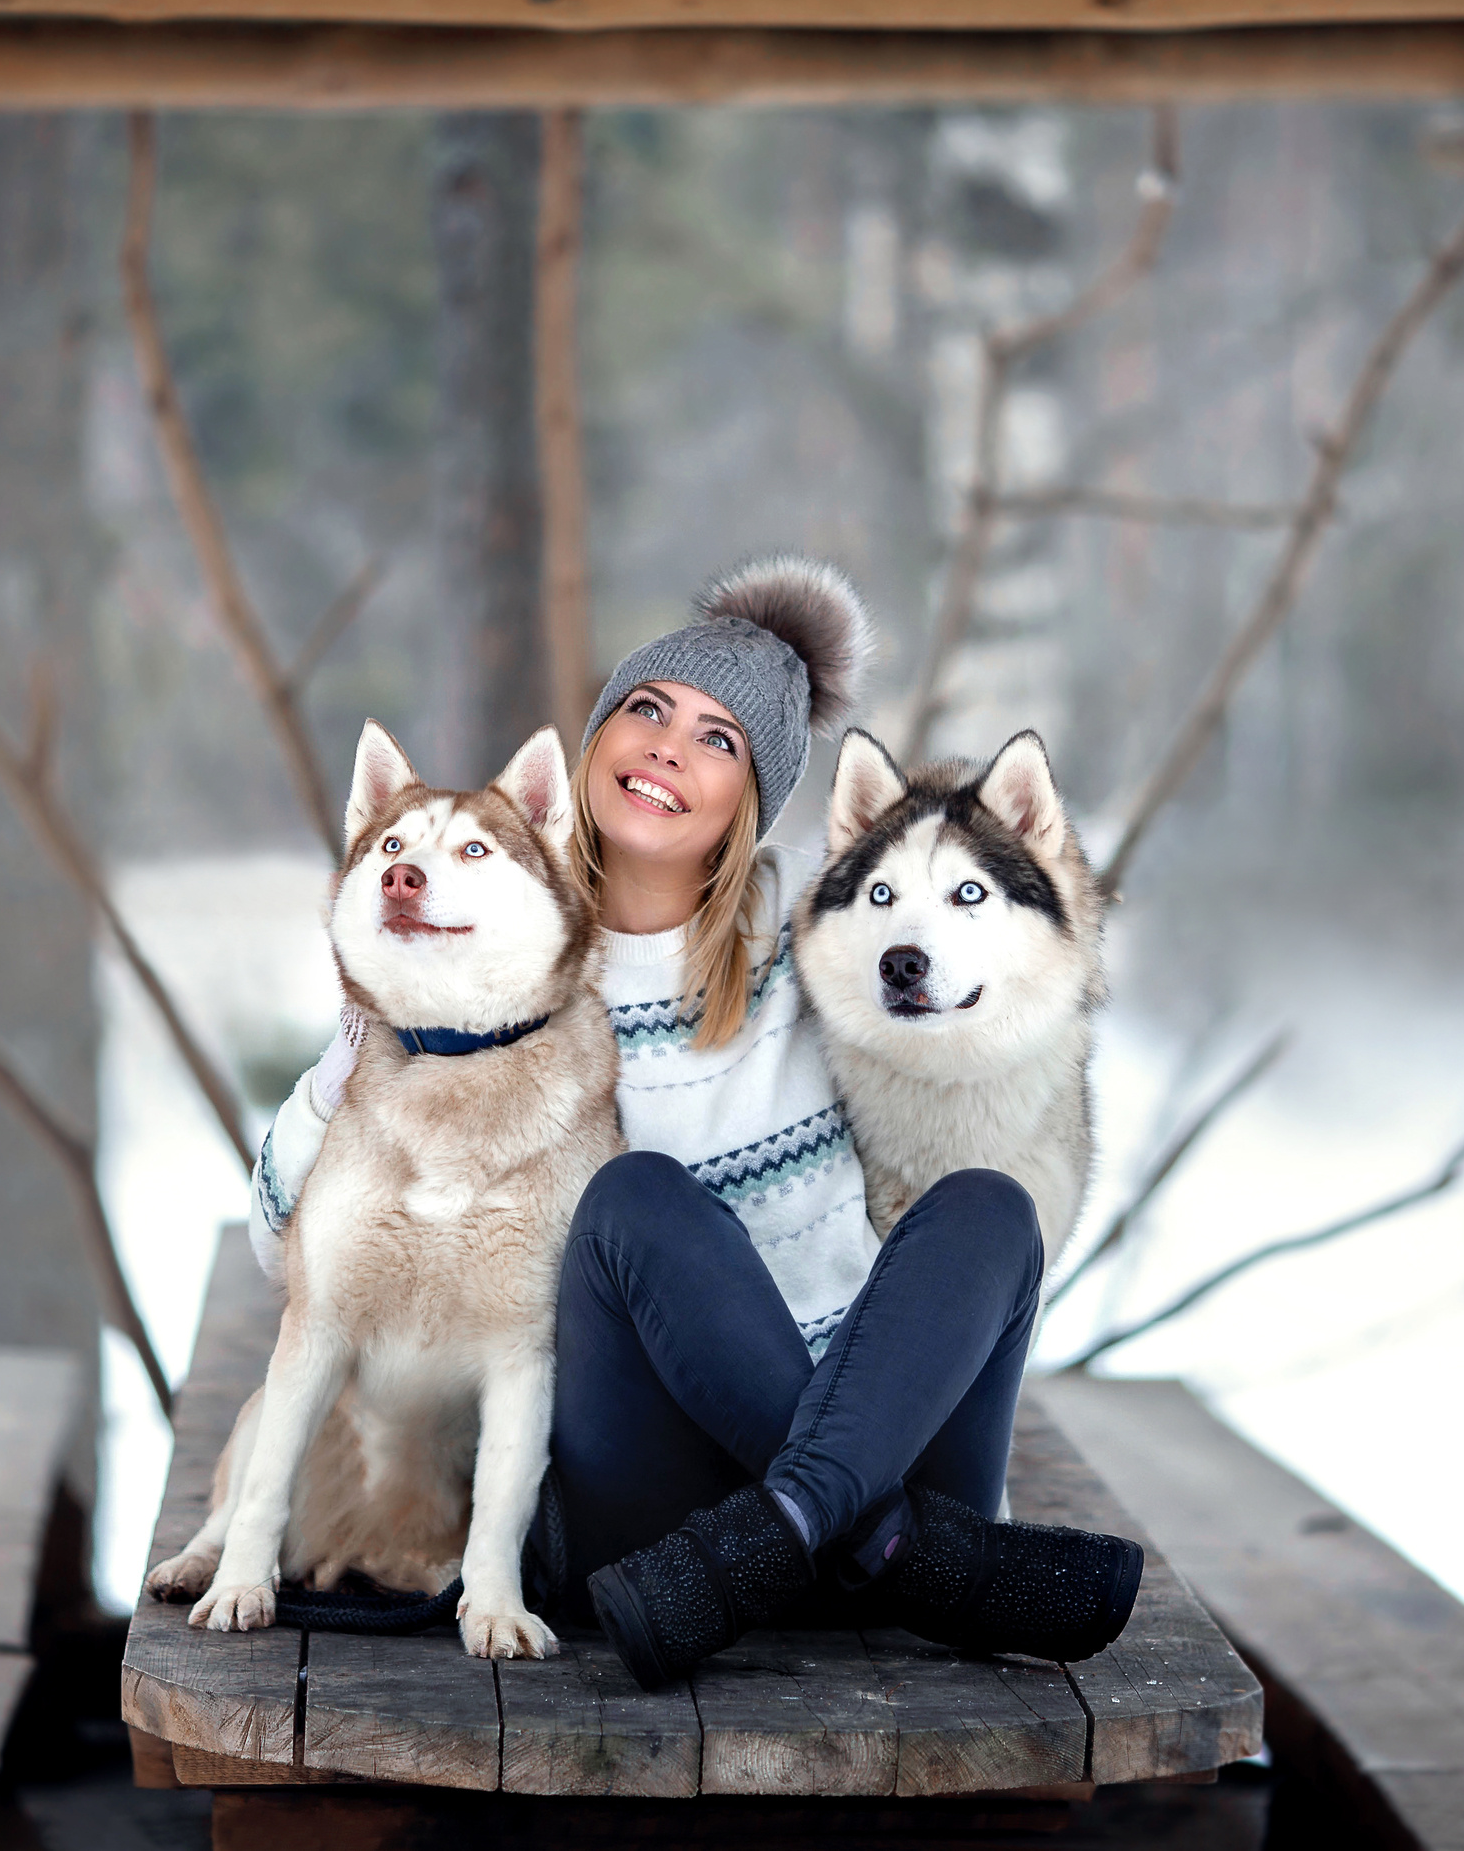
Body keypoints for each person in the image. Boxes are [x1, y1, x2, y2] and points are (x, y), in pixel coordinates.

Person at [249, 556, 1139, 1690]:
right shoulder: (480, 959)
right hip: (656, 1529)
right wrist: (351, 1057)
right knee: (635, 1197)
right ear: (593, 748)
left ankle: (827, 1522)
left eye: (718, 738)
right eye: (647, 709)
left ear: (751, 804)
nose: (670, 746)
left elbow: (992, 1020)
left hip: (876, 1445)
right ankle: (890, 1544)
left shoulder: (818, 957)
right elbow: (285, 1247)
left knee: (988, 1208)